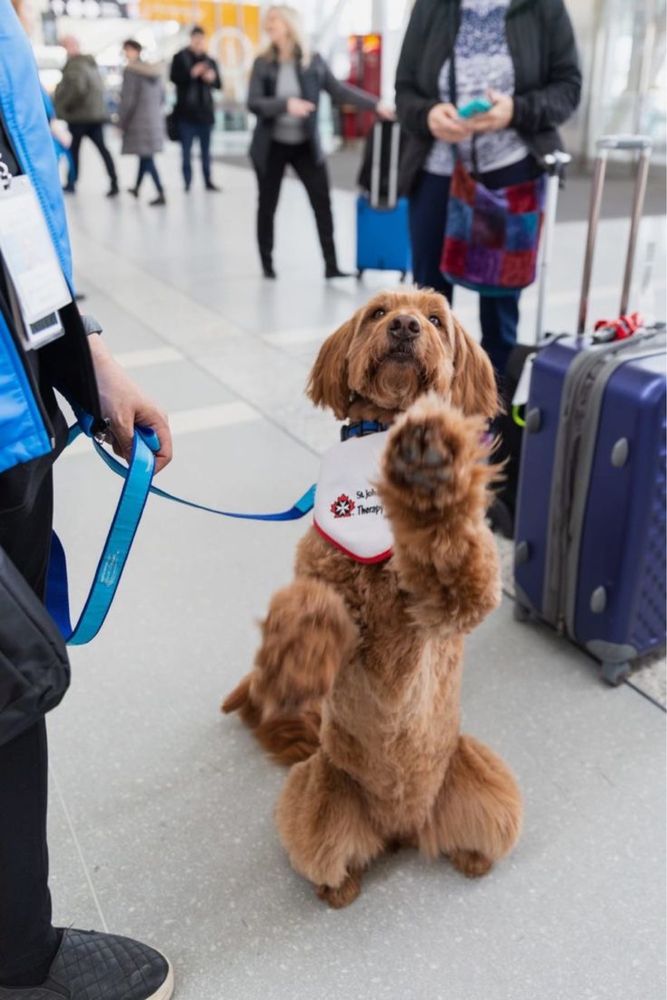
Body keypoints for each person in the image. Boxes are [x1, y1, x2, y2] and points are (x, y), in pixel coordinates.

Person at [0, 4, 174, 997]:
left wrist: (85, 358)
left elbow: (8, 199)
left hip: (18, 403)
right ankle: (19, 963)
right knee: (11, 689)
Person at [395, 0, 581, 377]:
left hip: (509, 172)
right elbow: (405, 92)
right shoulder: (431, 7)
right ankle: (426, 410)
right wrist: (429, 113)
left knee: (499, 308)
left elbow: (567, 88)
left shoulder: (542, 7)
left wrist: (515, 110)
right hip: (437, 173)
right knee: (425, 306)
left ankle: (491, 414)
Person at [248, 4, 394, 280]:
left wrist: (375, 105)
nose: (269, 26)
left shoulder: (312, 60)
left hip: (306, 145)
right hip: (271, 146)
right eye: (268, 21)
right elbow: (253, 103)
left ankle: (332, 265)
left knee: (322, 204)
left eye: (274, 20)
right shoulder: (263, 63)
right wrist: (285, 104)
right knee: (267, 205)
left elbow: (338, 90)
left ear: (289, 24)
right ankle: (267, 264)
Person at [54, 34, 120, 198]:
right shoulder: (90, 63)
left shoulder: (76, 65)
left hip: (79, 117)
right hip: (95, 116)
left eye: (66, 45)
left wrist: (62, 107)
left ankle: (71, 183)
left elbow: (78, 89)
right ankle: (114, 182)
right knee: (102, 150)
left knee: (74, 152)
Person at [169, 25, 222, 192]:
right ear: (191, 39)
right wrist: (192, 73)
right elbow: (174, 78)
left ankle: (208, 181)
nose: (199, 43)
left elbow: (219, 85)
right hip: (186, 115)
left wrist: (211, 79)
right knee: (186, 152)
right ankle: (187, 182)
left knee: (206, 152)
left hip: (205, 114)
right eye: (196, 39)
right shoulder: (180, 58)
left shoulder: (210, 61)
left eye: (201, 40)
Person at [119, 39, 166, 206]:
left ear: (136, 51)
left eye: (128, 50)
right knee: (145, 155)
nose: (126, 54)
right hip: (153, 120)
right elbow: (162, 97)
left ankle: (160, 191)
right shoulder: (152, 71)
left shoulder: (131, 71)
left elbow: (128, 100)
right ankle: (137, 188)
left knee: (147, 157)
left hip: (138, 121)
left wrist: (121, 123)